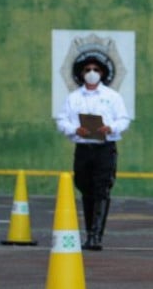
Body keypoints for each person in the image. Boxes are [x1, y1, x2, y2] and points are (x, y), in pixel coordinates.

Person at [55, 51, 131, 251]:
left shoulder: (112, 97)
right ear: (81, 73)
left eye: (96, 69)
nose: (91, 73)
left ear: (102, 73)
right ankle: (89, 231)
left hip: (104, 148)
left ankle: (95, 235)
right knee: (85, 188)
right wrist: (74, 129)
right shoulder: (73, 98)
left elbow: (123, 119)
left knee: (102, 190)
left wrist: (111, 127)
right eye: (87, 69)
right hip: (83, 148)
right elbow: (62, 120)